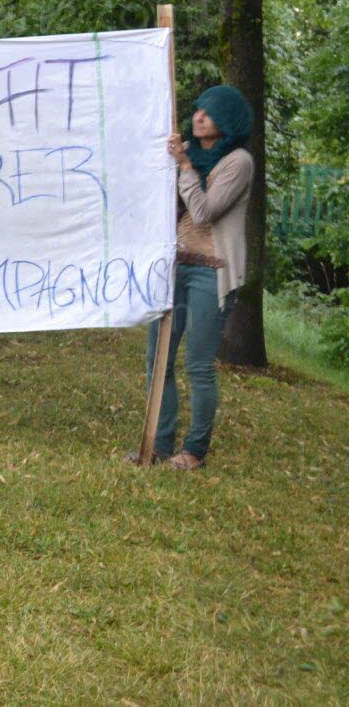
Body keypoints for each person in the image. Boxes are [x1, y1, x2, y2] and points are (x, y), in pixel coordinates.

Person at [146, 85, 255, 470]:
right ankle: (159, 443)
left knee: (198, 365)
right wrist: (171, 164)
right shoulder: (188, 154)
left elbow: (205, 212)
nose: (198, 117)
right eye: (198, 110)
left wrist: (185, 168)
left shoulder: (238, 162)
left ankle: (194, 451)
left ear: (228, 121)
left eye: (209, 113)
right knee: (157, 359)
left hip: (212, 272)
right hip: (175, 266)